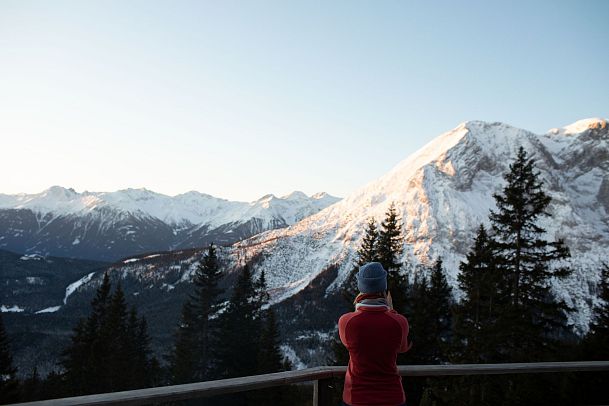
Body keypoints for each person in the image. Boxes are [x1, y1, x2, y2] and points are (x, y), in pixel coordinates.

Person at [338, 262, 411, 406]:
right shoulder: (399, 322)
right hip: (392, 398)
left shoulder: (346, 322)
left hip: (356, 398)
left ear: (361, 289)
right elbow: (402, 348)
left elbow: (351, 345)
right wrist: (391, 311)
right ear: (383, 288)